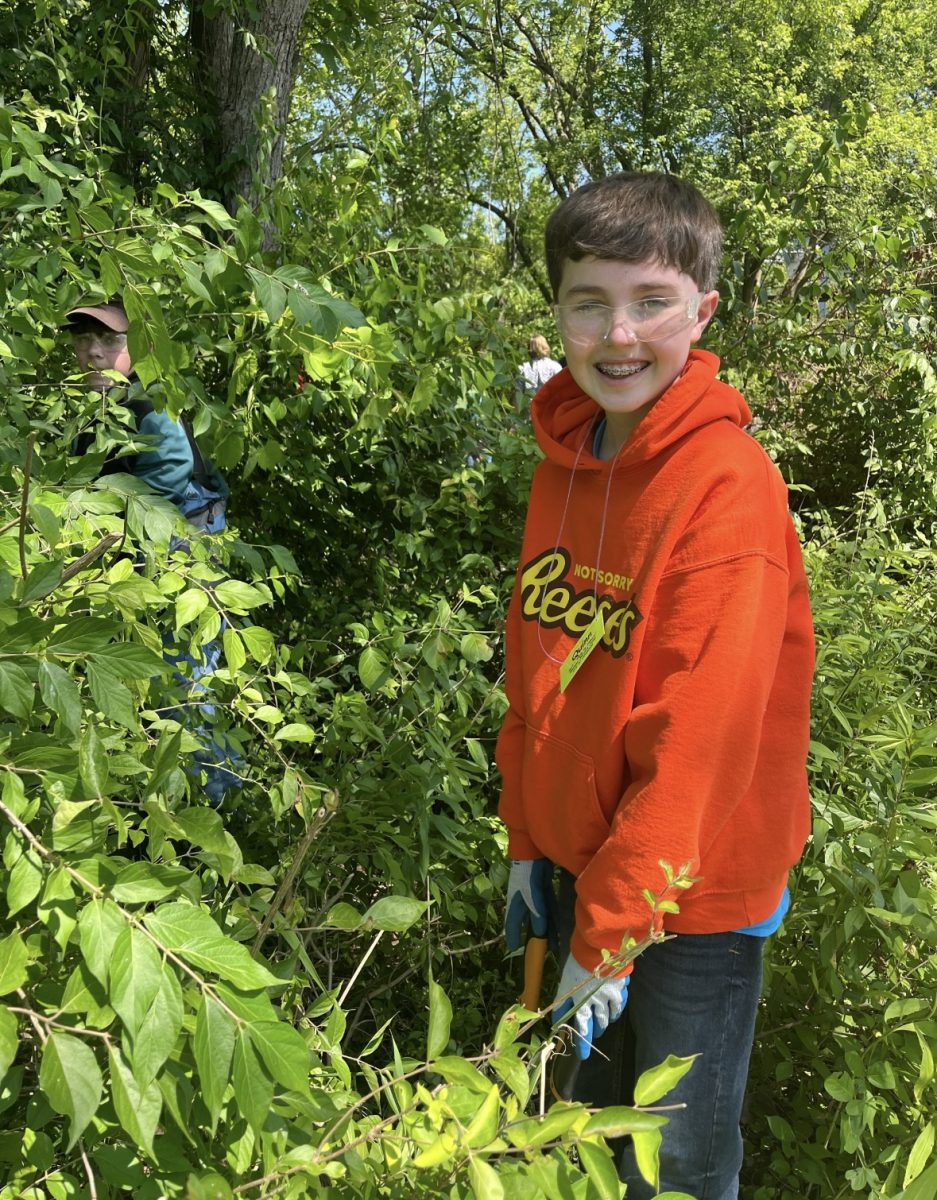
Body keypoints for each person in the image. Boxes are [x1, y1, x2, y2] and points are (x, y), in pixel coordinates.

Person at [498, 173, 814, 1198]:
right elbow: (536, 676)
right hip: (581, 867)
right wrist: (524, 841)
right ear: (557, 312)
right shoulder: (567, 455)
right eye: (588, 302)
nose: (617, 333)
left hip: (691, 900)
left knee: (668, 1167)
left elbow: (701, 744)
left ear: (702, 313)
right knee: (574, 1147)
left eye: (650, 302)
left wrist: (616, 933)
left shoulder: (727, 486)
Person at [65, 299, 241, 807]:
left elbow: (170, 468)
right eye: (83, 341)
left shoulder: (147, 399)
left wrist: (106, 522)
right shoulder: (98, 403)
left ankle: (215, 803)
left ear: (136, 348)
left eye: (109, 342)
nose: (94, 353)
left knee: (188, 675)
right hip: (150, 543)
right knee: (149, 671)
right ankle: (160, 799)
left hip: (185, 545)